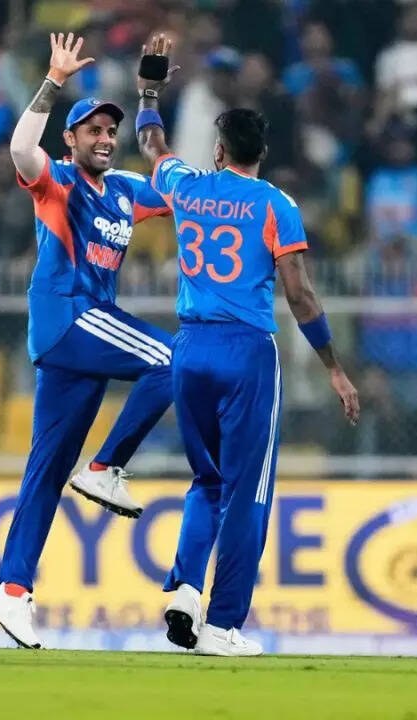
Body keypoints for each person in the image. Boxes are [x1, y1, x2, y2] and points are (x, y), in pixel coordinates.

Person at [135, 35, 359, 656]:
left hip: (189, 349)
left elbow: (151, 145)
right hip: (246, 354)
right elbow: (300, 295)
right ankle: (223, 625)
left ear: (219, 150)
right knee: (248, 493)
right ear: (262, 154)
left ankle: (185, 588)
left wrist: (149, 92)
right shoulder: (276, 204)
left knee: (206, 481)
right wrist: (334, 367)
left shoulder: (185, 186)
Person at [0, 33, 175, 650]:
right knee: (173, 359)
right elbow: (20, 148)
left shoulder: (126, 190)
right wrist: (53, 81)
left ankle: (11, 590)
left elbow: (177, 189)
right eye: (92, 130)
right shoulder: (57, 181)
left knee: (45, 470)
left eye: (110, 130)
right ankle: (107, 466)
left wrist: (148, 97)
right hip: (69, 317)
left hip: (82, 338)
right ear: (70, 139)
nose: (104, 138)